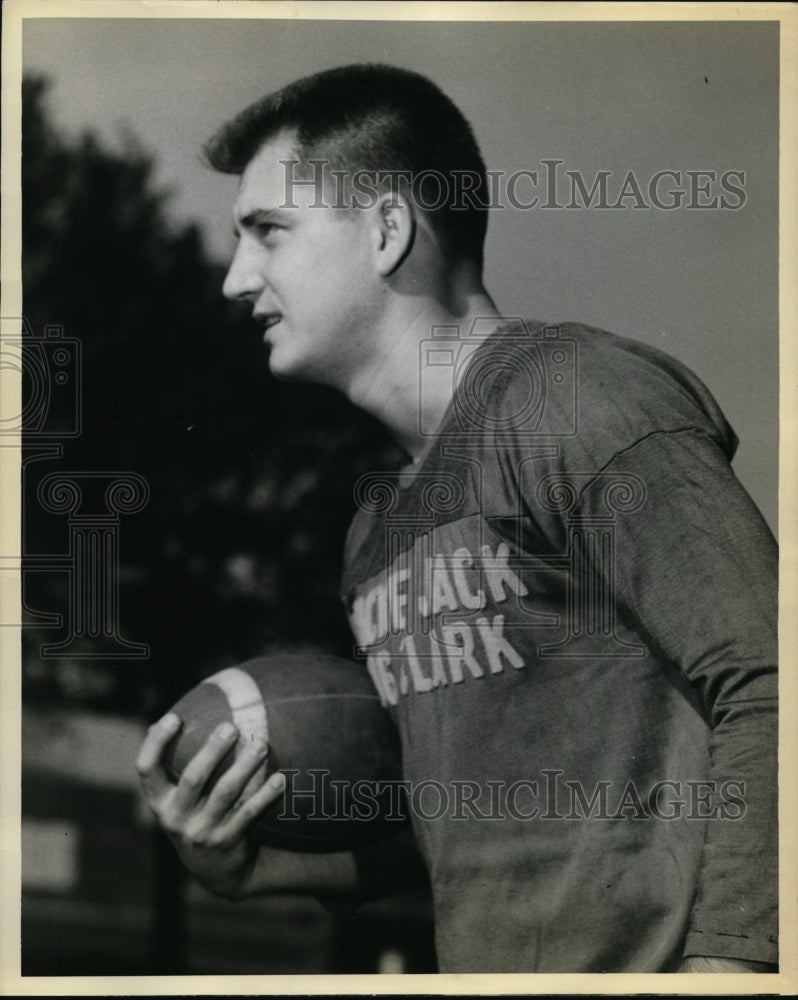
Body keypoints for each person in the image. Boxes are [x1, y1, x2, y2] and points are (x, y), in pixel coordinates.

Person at [136, 64, 777, 974]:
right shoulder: (378, 533)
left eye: (268, 233)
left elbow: (770, 673)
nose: (238, 278)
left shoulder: (573, 399)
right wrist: (253, 864)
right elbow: (468, 831)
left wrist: (736, 963)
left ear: (389, 230)